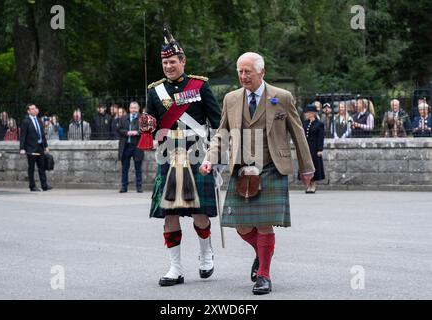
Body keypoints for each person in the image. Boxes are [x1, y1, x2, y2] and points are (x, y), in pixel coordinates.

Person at [200, 52, 314, 295]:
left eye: (248, 71)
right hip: (242, 169)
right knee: (241, 226)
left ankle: (264, 275)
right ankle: (262, 255)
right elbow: (222, 133)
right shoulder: (231, 99)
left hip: (271, 166)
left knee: (264, 225)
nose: (243, 76)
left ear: (261, 72)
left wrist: (307, 167)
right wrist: (210, 158)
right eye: (240, 71)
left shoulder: (281, 97)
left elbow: (298, 133)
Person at [147, 26, 221, 287]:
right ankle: (175, 268)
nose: (168, 66)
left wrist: (217, 153)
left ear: (183, 61)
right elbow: (152, 128)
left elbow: (217, 121)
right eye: (165, 62)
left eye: (173, 61)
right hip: (168, 157)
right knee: (169, 215)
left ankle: (205, 255)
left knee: (199, 213)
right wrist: (147, 126)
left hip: (196, 153)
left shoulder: (200, 86)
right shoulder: (155, 91)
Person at [19, 104, 52, 192]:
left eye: (35, 108)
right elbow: (23, 136)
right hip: (31, 148)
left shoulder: (39, 120)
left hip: (40, 147)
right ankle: (32, 186)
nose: (34, 110)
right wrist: (22, 148)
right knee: (32, 168)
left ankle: (44, 185)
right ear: (28, 111)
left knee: (42, 167)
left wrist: (46, 146)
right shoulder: (26, 121)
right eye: (32, 109)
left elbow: (42, 134)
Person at [117, 102, 144, 193]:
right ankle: (124, 187)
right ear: (129, 108)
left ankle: (139, 187)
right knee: (124, 168)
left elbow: (145, 129)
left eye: (135, 108)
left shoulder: (142, 118)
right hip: (126, 146)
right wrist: (127, 132)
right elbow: (119, 129)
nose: (133, 110)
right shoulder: (123, 118)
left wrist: (137, 132)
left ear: (138, 108)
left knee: (138, 168)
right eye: (132, 108)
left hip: (137, 146)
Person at [301, 104, 325, 193]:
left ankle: (313, 184)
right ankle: (308, 184)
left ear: (312, 113)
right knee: (306, 166)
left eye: (307, 112)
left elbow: (320, 137)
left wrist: (320, 149)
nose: (305, 114)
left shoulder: (319, 124)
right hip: (305, 147)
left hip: (314, 148)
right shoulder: (304, 123)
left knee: (314, 166)